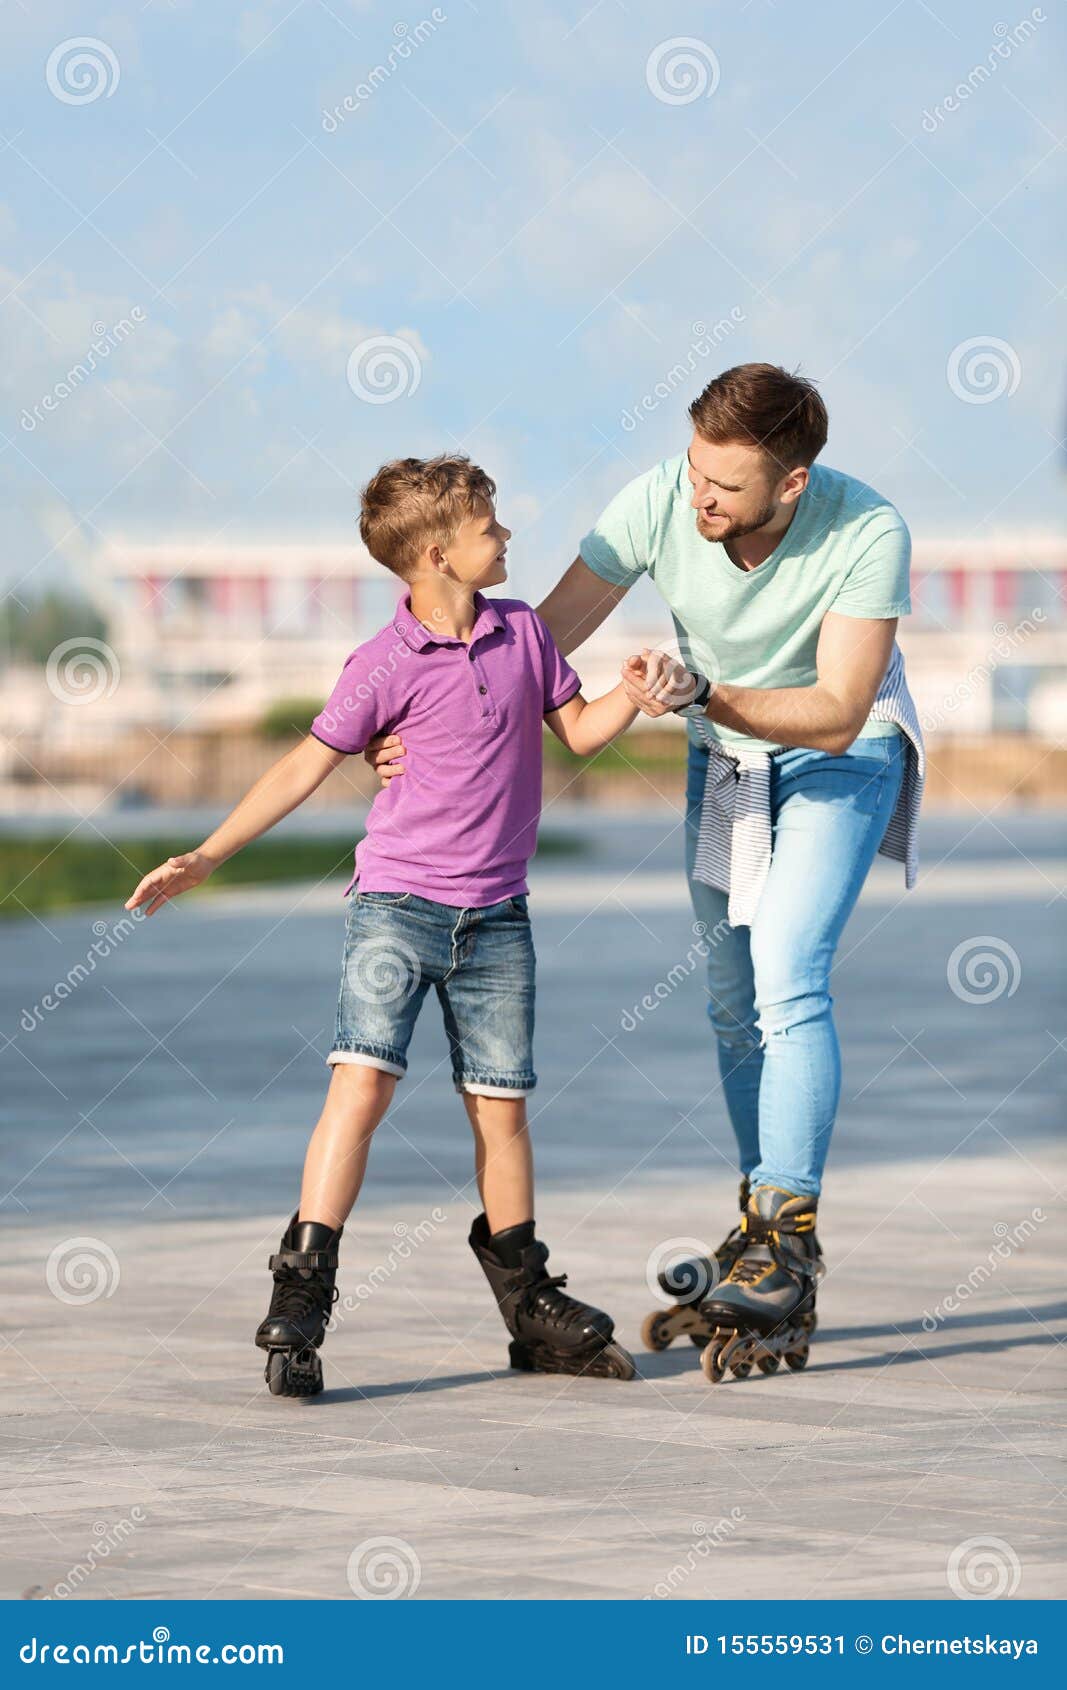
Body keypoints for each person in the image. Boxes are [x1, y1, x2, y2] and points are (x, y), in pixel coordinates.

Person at [365, 364, 925, 1381]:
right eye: (693, 471)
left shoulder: (865, 530)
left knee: (788, 971)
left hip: (841, 756)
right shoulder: (662, 497)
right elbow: (530, 640)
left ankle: (782, 1235)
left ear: (791, 484)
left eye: (726, 486)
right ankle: (757, 1231)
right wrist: (417, 721)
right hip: (725, 763)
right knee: (727, 998)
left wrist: (704, 685)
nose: (698, 497)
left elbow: (838, 709)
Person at [125, 454, 641, 1396]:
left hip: (497, 918)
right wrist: (206, 856)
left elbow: (582, 732)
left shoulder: (523, 633)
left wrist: (642, 691)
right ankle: (301, 1295)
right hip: (394, 911)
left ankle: (529, 1306)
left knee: (502, 1107)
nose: (508, 536)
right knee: (358, 1092)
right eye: (491, 527)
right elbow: (301, 766)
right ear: (440, 553)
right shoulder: (381, 664)